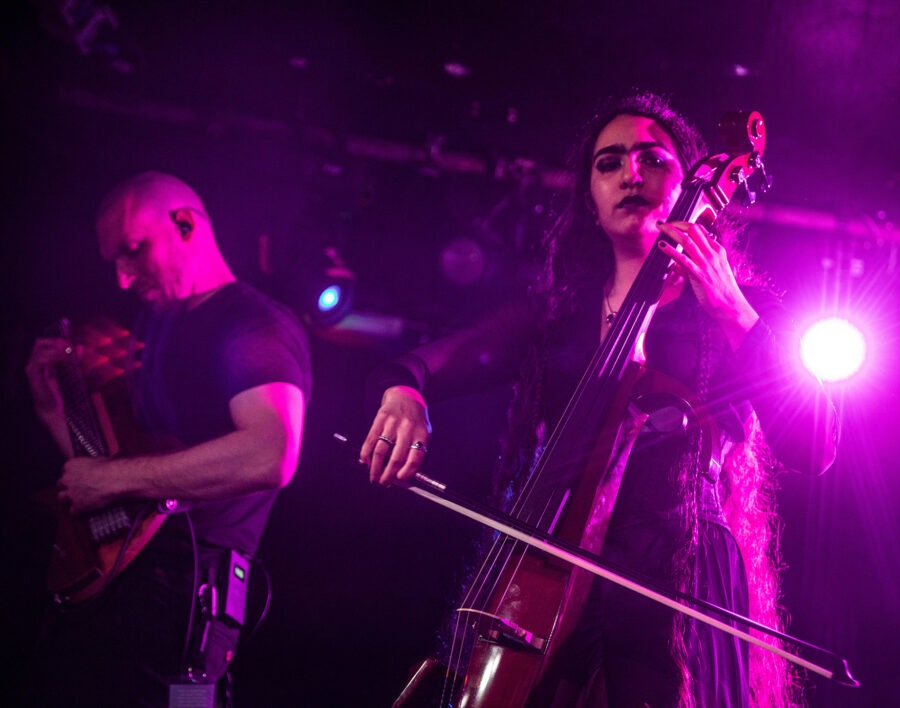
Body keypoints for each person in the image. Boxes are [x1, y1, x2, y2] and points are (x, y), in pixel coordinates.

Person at [361, 91, 838, 707]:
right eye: (608, 163)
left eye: (653, 159)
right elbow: (419, 363)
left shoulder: (734, 310)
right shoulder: (556, 317)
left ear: (689, 183)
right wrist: (404, 394)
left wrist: (729, 305)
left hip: (679, 583)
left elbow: (815, 443)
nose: (630, 175)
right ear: (588, 197)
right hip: (545, 581)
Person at [23, 171, 312, 706]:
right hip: (119, 596)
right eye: (114, 260)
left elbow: (272, 452)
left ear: (184, 224)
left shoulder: (253, 323)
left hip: (186, 612)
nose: (123, 279)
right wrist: (55, 417)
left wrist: (110, 478)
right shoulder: (159, 326)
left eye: (133, 252)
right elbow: (124, 492)